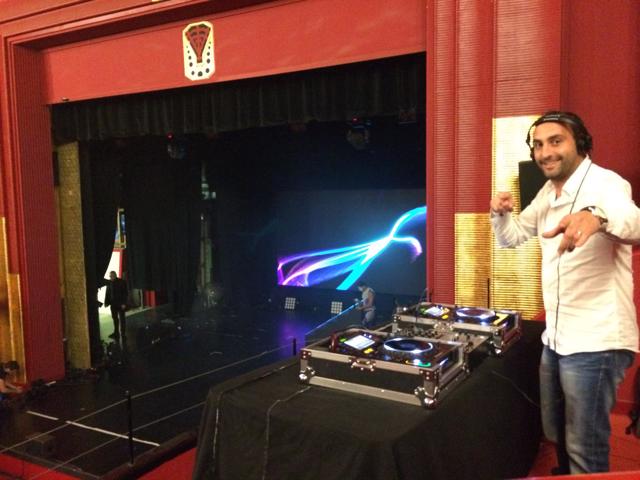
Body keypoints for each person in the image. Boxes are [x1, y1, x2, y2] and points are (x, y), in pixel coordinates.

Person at [490, 111, 640, 474]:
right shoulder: (548, 192)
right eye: (538, 145)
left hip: (596, 341)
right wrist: (500, 214)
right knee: (555, 431)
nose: (545, 152)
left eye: (556, 141)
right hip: (557, 338)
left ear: (581, 143)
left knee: (584, 446)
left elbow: (635, 223)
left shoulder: (607, 184)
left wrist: (597, 218)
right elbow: (512, 238)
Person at [104, 270, 129, 339]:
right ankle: (116, 333)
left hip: (120, 304)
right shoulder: (109, 283)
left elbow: (125, 293)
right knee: (114, 318)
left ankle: (123, 334)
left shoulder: (122, 282)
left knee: (122, 319)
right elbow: (107, 293)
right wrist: (106, 302)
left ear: (115, 275)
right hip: (113, 304)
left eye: (112, 276)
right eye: (110, 276)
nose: (111, 277)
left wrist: (124, 303)